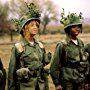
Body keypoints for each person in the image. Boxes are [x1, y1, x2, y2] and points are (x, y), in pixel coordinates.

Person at [8, 3, 51, 90]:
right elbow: (11, 74)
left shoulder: (40, 46)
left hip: (40, 85)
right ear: (24, 28)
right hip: (25, 86)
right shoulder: (18, 47)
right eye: (32, 25)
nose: (35, 27)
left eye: (37, 25)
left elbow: (43, 70)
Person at [50, 9, 89, 90]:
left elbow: (85, 62)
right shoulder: (62, 45)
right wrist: (57, 83)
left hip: (80, 80)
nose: (77, 29)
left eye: (79, 26)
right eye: (74, 27)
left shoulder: (81, 43)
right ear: (68, 28)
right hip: (67, 82)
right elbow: (54, 66)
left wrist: (86, 80)